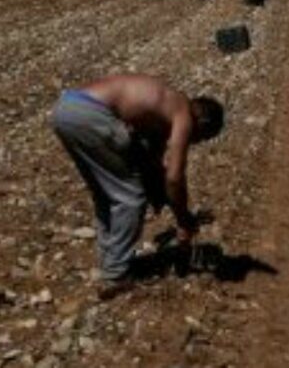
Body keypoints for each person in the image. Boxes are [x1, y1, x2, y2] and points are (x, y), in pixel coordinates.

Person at [50, 74, 225, 298]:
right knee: (130, 197)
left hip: (66, 109)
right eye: (198, 139)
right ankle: (116, 274)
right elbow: (174, 177)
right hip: (90, 115)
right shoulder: (183, 115)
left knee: (107, 194)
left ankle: (110, 262)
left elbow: (151, 162)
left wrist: (163, 198)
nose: (193, 142)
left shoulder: (163, 106)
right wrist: (182, 219)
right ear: (201, 124)